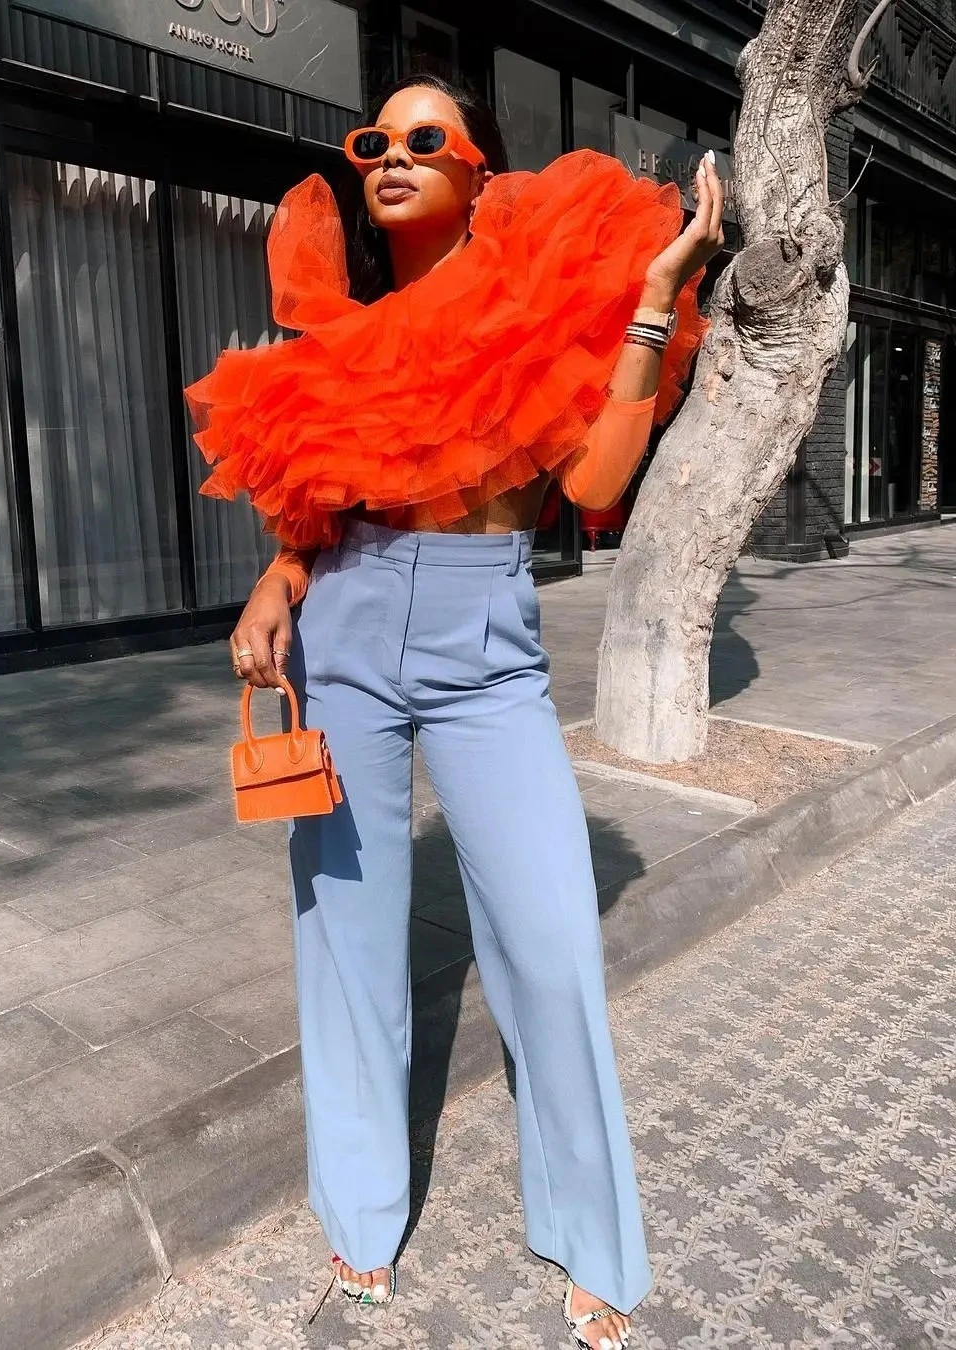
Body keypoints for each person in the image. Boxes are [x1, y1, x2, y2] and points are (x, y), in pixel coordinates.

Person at [187, 74, 723, 1349]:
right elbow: (319, 515)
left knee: (551, 940)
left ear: (480, 168)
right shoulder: (343, 337)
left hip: (487, 644)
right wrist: (277, 581)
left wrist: (654, 300)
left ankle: (591, 1235)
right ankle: (362, 1217)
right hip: (347, 634)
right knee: (348, 939)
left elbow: (595, 483)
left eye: (426, 138)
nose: (393, 155)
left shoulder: (540, 300)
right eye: (375, 139)